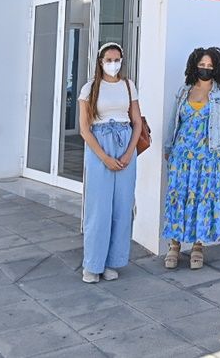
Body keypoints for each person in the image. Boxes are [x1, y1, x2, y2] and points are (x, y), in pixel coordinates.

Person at [163, 47, 220, 270]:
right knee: (179, 198)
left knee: (202, 199)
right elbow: (173, 120)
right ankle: (174, 245)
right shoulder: (184, 90)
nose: (205, 69)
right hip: (182, 156)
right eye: (202, 65)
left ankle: (197, 246)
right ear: (194, 66)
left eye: (210, 66)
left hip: (209, 156)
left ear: (217, 68)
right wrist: (168, 147)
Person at [77, 42, 143, 283]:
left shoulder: (128, 86)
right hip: (99, 146)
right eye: (109, 60)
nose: (113, 64)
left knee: (122, 207)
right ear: (100, 61)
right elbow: (84, 129)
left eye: (117, 59)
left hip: (125, 143)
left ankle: (112, 262)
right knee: (99, 208)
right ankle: (92, 264)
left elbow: (137, 122)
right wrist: (104, 157)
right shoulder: (90, 88)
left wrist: (128, 153)